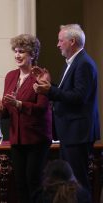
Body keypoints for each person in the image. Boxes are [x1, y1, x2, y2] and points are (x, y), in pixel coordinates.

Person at [33, 24, 100, 193]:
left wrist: (50, 90)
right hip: (70, 131)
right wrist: (49, 85)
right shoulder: (72, 62)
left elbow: (78, 97)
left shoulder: (83, 63)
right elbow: (66, 93)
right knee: (69, 181)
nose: (57, 44)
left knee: (78, 180)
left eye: (60, 40)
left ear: (72, 41)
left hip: (77, 132)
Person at [0, 34, 52, 203]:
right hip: (16, 138)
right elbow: (9, 110)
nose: (17, 55)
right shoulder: (10, 76)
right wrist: (1, 109)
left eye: (21, 51)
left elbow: (42, 108)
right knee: (20, 184)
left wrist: (19, 104)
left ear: (32, 54)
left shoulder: (41, 75)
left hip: (36, 139)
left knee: (34, 182)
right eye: (15, 51)